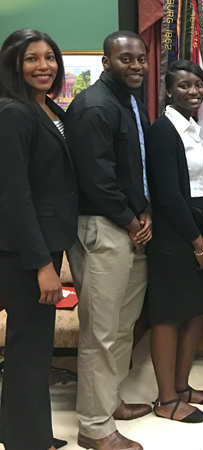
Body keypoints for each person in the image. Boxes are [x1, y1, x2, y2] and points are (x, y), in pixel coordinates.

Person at [65, 31, 152, 450]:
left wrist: (145, 212)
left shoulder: (130, 100)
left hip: (131, 227)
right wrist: (131, 220)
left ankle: (110, 400)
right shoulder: (93, 105)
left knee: (122, 325)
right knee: (99, 332)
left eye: (141, 59)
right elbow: (95, 178)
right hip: (103, 228)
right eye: (125, 59)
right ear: (106, 62)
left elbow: (134, 167)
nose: (136, 66)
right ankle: (94, 428)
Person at [0, 28, 78, 450]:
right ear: (14, 63)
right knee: (29, 350)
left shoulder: (48, 107)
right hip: (24, 254)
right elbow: (15, 195)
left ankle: (17, 432)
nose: (43, 66)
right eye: (32, 58)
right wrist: (44, 266)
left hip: (46, 243)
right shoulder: (12, 112)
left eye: (49, 57)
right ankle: (29, 443)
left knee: (31, 348)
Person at [145, 59, 203, 424]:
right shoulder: (163, 131)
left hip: (195, 227)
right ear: (168, 91)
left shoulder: (191, 127)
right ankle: (166, 399)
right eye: (184, 86)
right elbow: (169, 196)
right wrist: (198, 244)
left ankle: (183, 386)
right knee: (168, 315)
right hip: (173, 237)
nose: (193, 92)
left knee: (194, 309)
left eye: (198, 85)